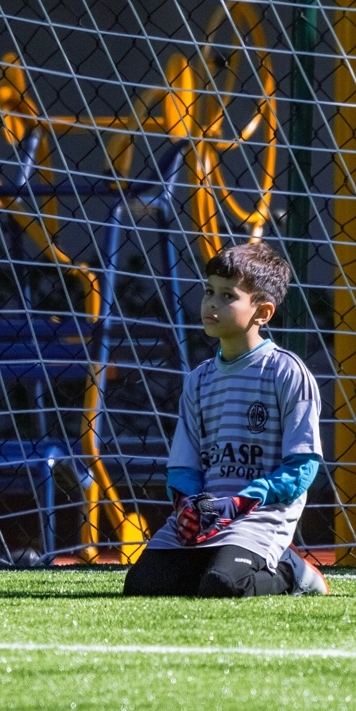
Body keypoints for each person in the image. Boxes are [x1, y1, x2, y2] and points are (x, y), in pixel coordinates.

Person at [123, 240, 329, 598]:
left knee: (223, 586)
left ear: (262, 312)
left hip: (258, 516)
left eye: (227, 296)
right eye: (208, 292)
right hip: (208, 515)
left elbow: (302, 466)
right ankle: (216, 558)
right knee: (142, 586)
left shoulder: (286, 372)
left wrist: (242, 501)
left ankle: (292, 571)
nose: (212, 303)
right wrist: (188, 505)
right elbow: (183, 466)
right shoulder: (199, 379)